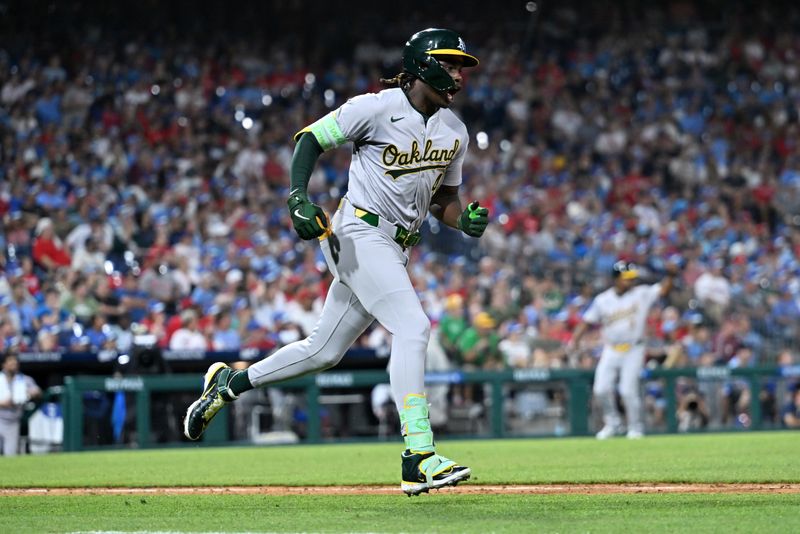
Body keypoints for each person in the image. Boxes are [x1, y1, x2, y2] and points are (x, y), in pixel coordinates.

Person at [183, 28, 487, 495]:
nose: (458, 74)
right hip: (356, 231)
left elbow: (443, 200)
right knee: (413, 327)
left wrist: (461, 219)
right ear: (422, 63)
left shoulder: (455, 131)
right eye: (449, 64)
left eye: (461, 66)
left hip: (396, 245)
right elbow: (310, 138)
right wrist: (297, 196)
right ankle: (419, 455)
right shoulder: (375, 107)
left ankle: (228, 384)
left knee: (323, 351)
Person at [569, 261, 677, 439]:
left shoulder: (641, 293)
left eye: (631, 278)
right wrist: (574, 340)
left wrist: (671, 276)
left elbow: (663, 290)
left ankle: (635, 427)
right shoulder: (603, 300)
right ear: (615, 279)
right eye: (625, 278)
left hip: (634, 348)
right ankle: (613, 423)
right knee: (601, 389)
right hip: (611, 349)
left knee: (628, 390)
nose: (630, 281)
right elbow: (586, 321)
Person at [0, 353, 41, 456]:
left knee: (10, 455)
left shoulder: (24, 379)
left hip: (13, 422)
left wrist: (31, 392)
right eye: (10, 361)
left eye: (15, 361)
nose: (14, 363)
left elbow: (37, 391)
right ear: (3, 364)